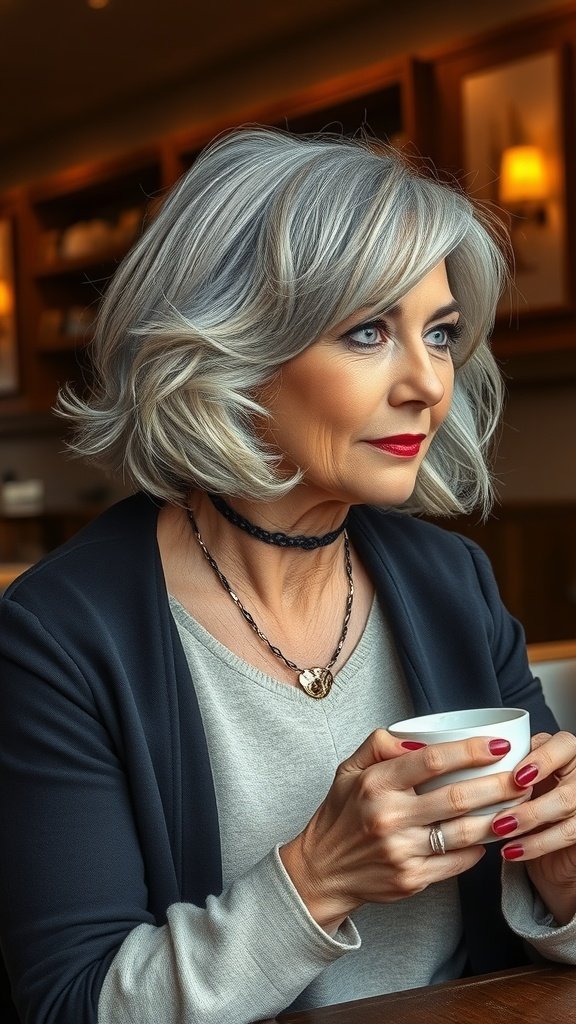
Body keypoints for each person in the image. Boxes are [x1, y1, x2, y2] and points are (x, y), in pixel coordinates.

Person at [0, 127, 575, 1024]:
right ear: (231, 348)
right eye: (369, 331)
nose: (429, 382)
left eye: (441, 334)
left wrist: (564, 883)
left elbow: (543, 931)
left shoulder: (450, 582)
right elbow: (75, 1007)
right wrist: (316, 878)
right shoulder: (61, 635)